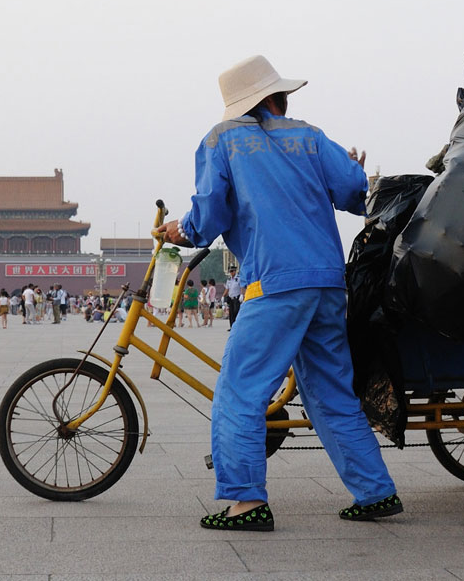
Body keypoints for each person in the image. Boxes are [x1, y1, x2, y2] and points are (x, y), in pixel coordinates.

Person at [156, 54, 400, 532]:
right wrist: (355, 170)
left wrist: (175, 231)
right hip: (328, 284)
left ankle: (246, 503)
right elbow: (356, 194)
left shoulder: (221, 139)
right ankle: (376, 492)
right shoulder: (309, 136)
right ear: (274, 97)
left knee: (239, 391)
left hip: (274, 284)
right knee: (331, 393)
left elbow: (207, 220)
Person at [224, 266, 242, 330]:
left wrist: (242, 295)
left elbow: (241, 287)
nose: (231, 273)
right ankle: (232, 326)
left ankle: (237, 326)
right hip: (230, 298)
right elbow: (227, 288)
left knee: (236, 312)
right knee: (231, 313)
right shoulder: (229, 279)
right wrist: (223, 296)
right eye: (230, 271)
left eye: (232, 271)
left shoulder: (239, 278)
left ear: (235, 271)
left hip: (237, 298)